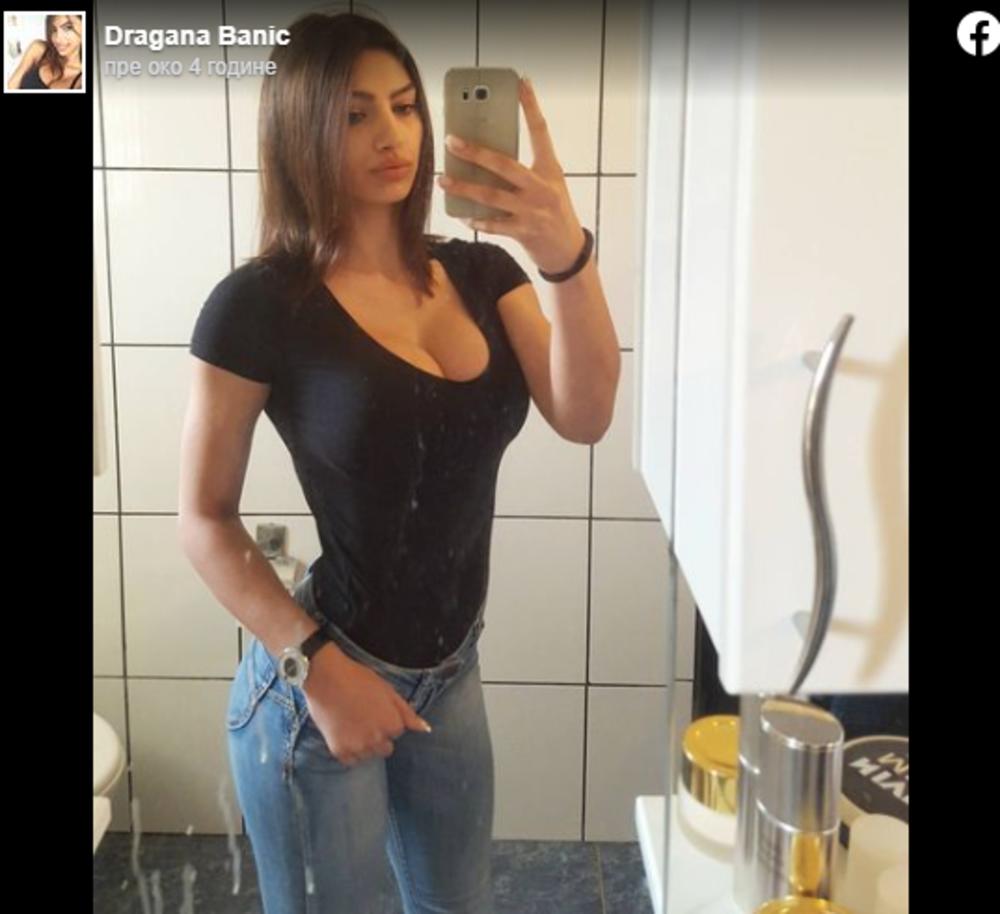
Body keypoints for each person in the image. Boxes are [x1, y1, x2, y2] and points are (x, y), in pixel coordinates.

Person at [177, 10, 619, 914]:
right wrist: (316, 667)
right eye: (354, 115)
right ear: (301, 131)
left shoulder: (485, 276)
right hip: (320, 683)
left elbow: (586, 415)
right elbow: (204, 520)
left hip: (451, 673)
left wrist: (566, 256)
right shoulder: (258, 305)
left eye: (406, 106)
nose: (392, 135)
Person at [6, 14, 83, 90]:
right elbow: (11, 86)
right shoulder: (39, 49)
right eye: (54, 30)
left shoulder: (80, 81)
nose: (58, 39)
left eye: (68, 28)